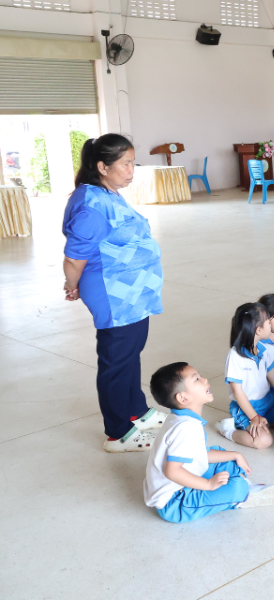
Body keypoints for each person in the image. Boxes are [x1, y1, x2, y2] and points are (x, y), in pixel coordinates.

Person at [62, 134, 166, 453]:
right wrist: (71, 284)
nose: (132, 170)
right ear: (102, 167)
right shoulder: (90, 205)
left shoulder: (106, 193)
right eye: (126, 164)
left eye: (133, 163)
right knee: (116, 360)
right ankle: (118, 432)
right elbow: (75, 257)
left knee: (130, 352)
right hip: (114, 295)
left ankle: (136, 410)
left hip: (132, 293)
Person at [144, 362, 274, 523]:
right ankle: (241, 496)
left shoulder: (181, 418)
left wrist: (236, 455)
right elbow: (172, 472)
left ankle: (241, 486)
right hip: (175, 502)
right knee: (237, 487)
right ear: (183, 398)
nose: (205, 379)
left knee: (228, 458)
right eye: (196, 379)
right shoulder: (185, 428)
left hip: (184, 482)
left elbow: (200, 454)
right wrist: (208, 484)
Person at [215, 303, 274, 449]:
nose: (271, 325)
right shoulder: (235, 356)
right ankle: (227, 430)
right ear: (258, 330)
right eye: (268, 322)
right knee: (263, 441)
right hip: (247, 409)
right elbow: (237, 392)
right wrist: (254, 417)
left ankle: (266, 422)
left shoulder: (262, 349)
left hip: (268, 402)